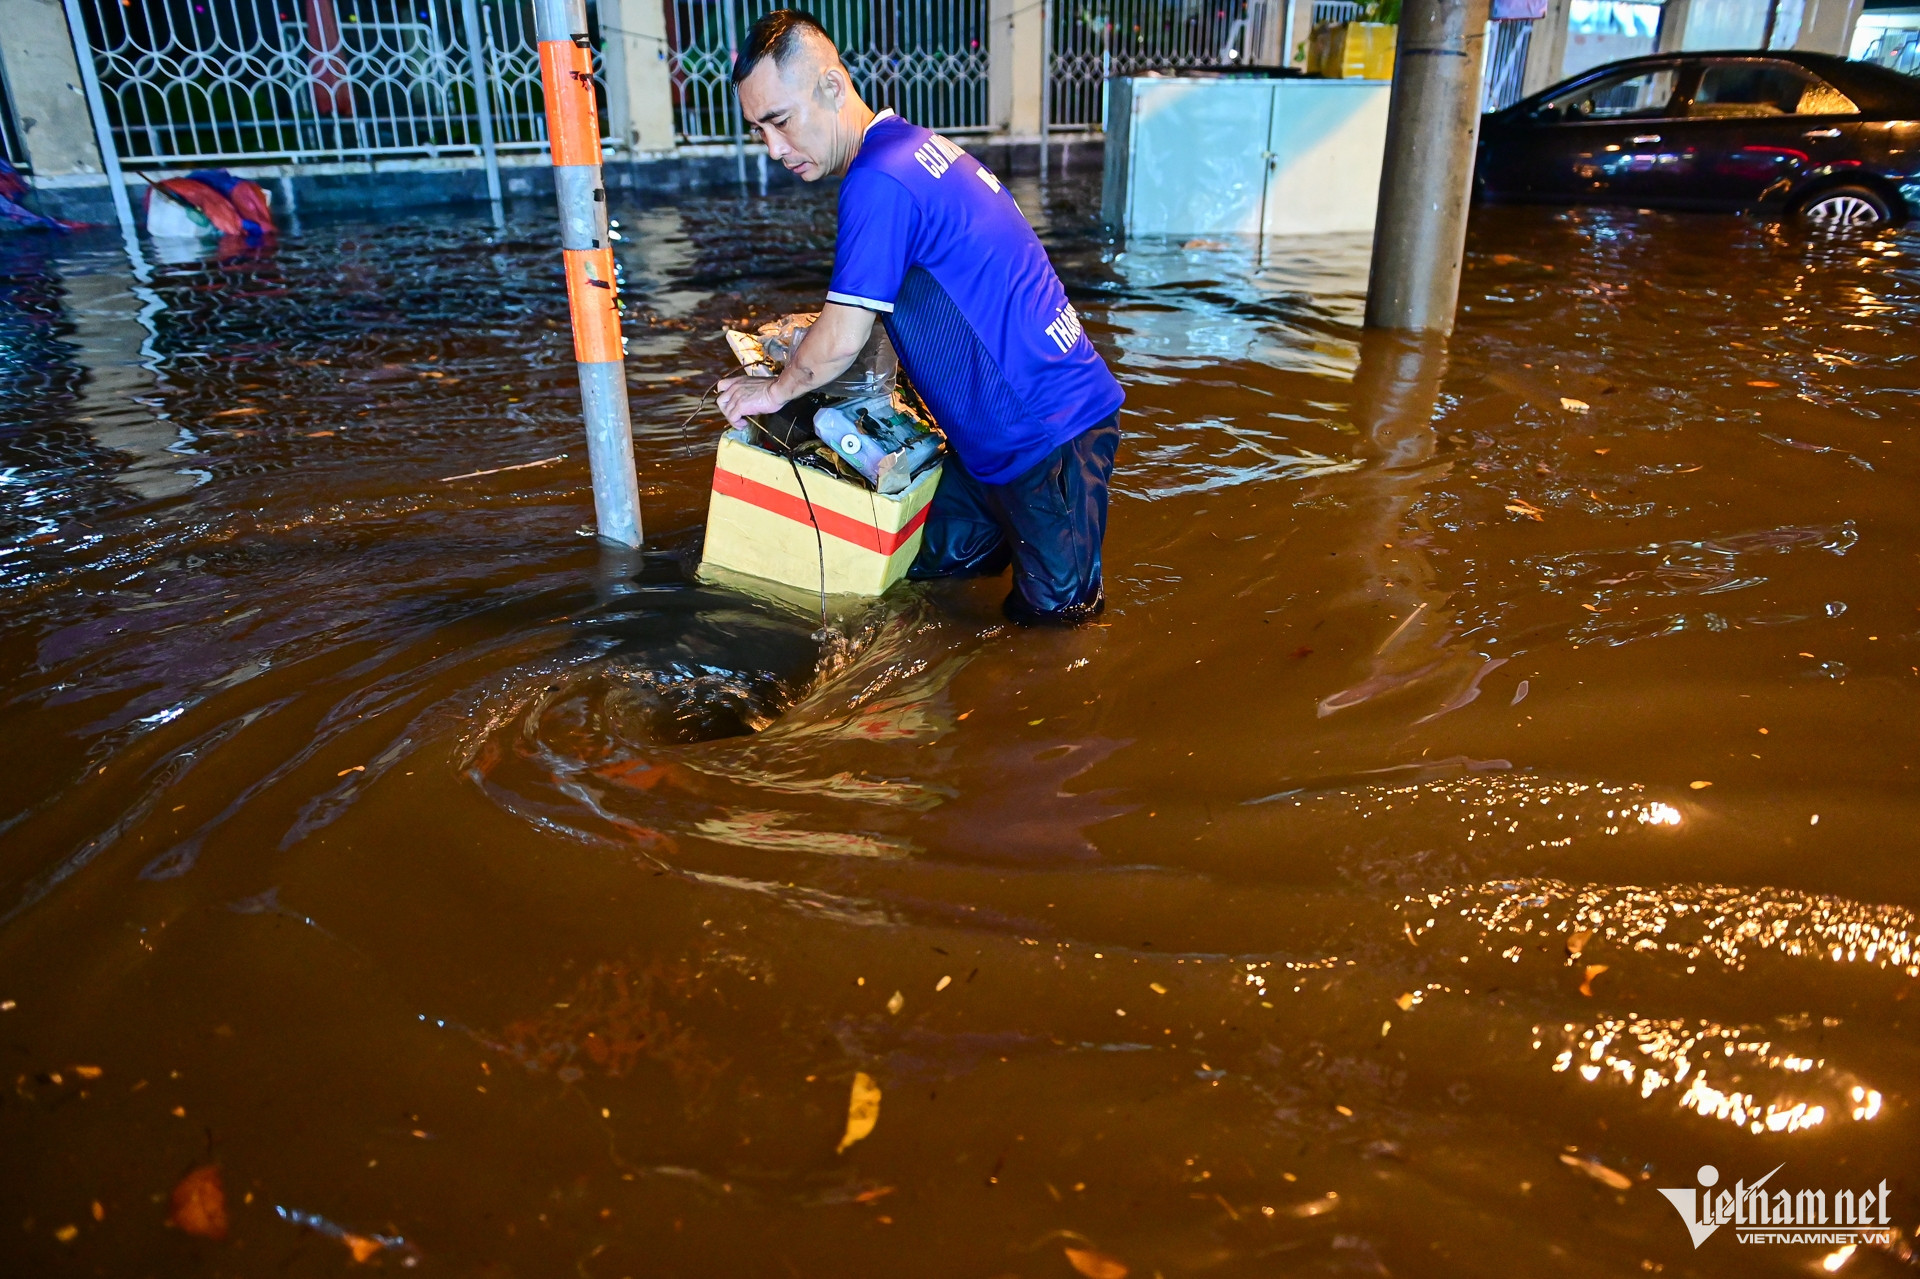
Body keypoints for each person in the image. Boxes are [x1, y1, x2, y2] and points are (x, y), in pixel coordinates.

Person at [715, 10, 1124, 626]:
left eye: (780, 121)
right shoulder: (910, 150)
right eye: (758, 131)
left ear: (831, 86)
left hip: (1047, 436)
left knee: (1057, 629)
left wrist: (772, 391)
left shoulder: (880, 179)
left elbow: (843, 335)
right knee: (914, 570)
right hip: (991, 440)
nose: (774, 148)